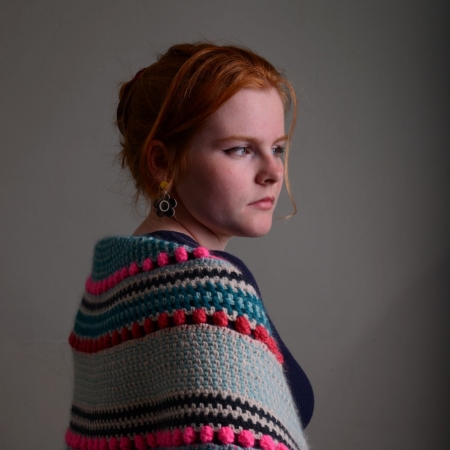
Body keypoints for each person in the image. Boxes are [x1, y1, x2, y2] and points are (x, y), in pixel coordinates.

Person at [65, 42, 313, 450]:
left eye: (277, 148)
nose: (272, 171)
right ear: (162, 162)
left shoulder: (114, 277)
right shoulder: (205, 288)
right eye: (240, 149)